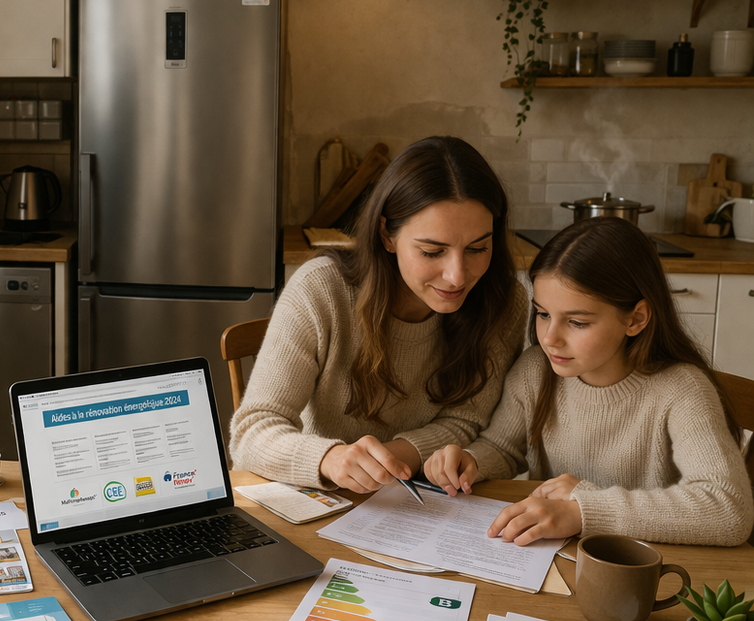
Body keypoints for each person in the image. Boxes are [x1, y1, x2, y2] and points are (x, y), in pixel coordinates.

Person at [425, 217, 754, 547]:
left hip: (650, 571)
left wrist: (583, 511)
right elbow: (502, 447)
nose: (550, 338)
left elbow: (729, 510)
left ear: (636, 319)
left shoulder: (683, 390)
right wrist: (471, 462)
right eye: (542, 314)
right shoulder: (535, 371)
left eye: (577, 322)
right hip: (555, 559)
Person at [230, 137, 528, 493]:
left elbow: (467, 422)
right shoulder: (321, 290)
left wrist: (389, 460)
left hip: (421, 505)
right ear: (387, 234)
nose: (458, 276)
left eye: (478, 247)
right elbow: (252, 433)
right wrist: (332, 459)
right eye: (433, 251)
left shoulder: (503, 301)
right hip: (317, 496)